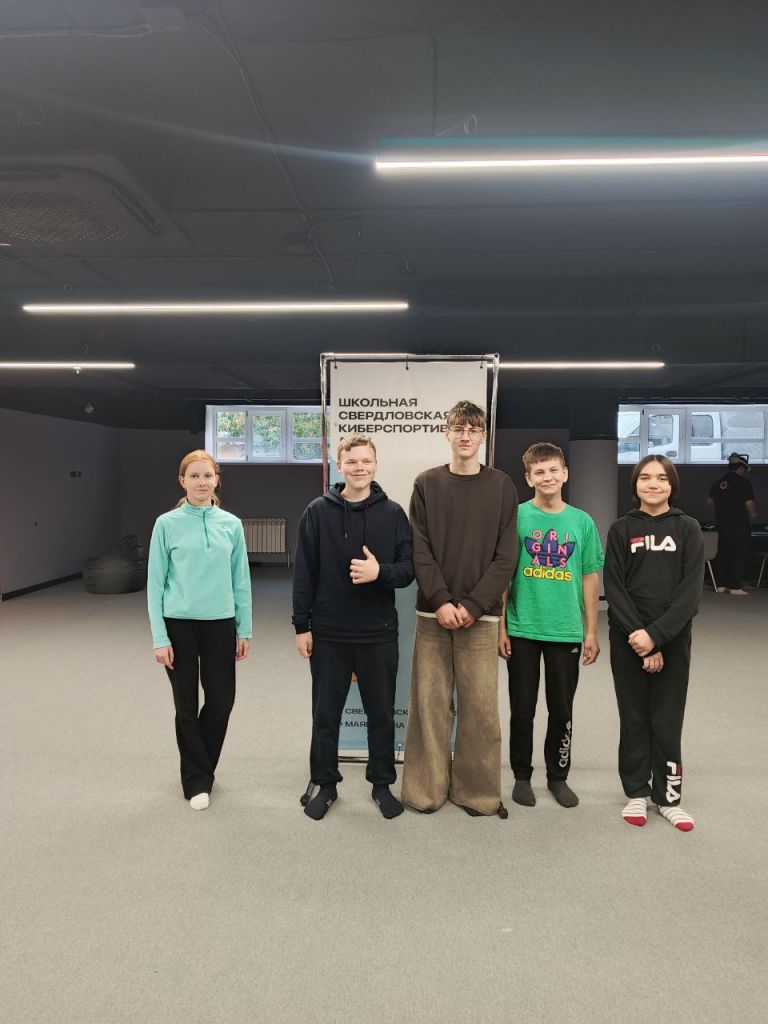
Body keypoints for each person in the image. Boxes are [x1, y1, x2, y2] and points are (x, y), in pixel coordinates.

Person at [401, 400, 518, 817]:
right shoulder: (426, 484)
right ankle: (425, 790)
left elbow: (506, 555)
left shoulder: (502, 485)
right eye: (458, 428)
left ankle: (477, 793)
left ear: (483, 436)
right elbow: (419, 549)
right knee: (429, 705)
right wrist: (442, 601)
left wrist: (471, 604)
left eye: (473, 429)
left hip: (480, 618)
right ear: (446, 433)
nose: (465, 436)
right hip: (433, 614)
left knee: (480, 709)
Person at [292, 434, 414, 821]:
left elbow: (408, 570)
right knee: (326, 715)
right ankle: (325, 785)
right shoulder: (317, 512)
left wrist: (380, 572)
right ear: (339, 465)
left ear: (375, 465)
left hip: (378, 632)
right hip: (329, 632)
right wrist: (301, 626)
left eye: (366, 461)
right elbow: (304, 573)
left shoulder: (393, 514)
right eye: (352, 461)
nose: (360, 468)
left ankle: (381, 784)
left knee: (381, 714)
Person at [499, 443, 603, 809]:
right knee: (522, 708)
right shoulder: (515, 517)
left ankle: (558, 776)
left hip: (565, 629)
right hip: (523, 626)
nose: (548, 477)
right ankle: (521, 775)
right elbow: (503, 575)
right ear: (528, 478)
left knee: (561, 709)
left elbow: (590, 576)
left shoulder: (582, 522)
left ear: (565, 474)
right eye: (539, 472)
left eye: (554, 470)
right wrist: (501, 627)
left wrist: (592, 630)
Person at [147, 450, 252, 810]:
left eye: (208, 475)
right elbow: (155, 584)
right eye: (194, 476)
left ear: (217, 479)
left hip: (220, 623)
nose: (201, 482)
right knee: (186, 706)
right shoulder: (166, 524)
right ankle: (197, 780)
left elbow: (241, 580)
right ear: (182, 481)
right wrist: (159, 637)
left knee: (222, 701)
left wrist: (244, 629)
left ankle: (200, 765)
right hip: (178, 625)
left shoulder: (231, 525)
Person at [604, 455, 704, 831]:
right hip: (628, 638)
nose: (653, 484)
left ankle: (668, 798)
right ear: (635, 485)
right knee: (633, 717)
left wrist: (657, 637)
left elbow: (689, 593)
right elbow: (614, 587)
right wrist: (640, 637)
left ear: (671, 485)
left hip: (672, 639)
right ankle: (636, 793)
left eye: (662, 478)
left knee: (666, 718)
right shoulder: (621, 529)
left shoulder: (687, 528)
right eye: (645, 477)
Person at [707, 452, 756, 596]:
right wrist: (753, 515)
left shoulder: (718, 482)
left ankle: (721, 584)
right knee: (738, 554)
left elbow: (710, 502)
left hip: (721, 524)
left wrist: (720, 514)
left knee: (722, 554)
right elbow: (749, 503)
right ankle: (734, 586)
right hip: (739, 525)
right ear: (741, 468)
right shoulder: (743, 483)